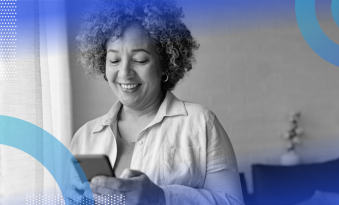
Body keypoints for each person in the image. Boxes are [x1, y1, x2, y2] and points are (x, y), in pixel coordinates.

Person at [69, 0, 244, 204]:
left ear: (166, 64)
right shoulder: (85, 137)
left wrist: (161, 197)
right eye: (114, 60)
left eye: (140, 60)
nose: (124, 73)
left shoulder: (201, 123)